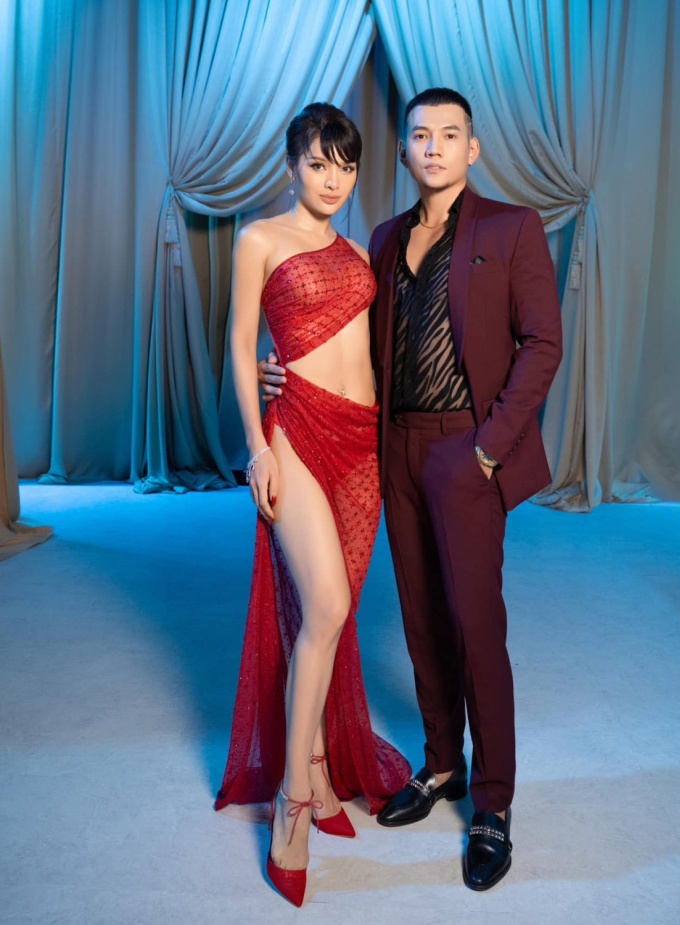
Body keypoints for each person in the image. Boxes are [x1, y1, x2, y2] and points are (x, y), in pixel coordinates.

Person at [259, 87, 563, 893]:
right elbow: (344, 336)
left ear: (472, 149)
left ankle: (492, 801)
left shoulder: (511, 227)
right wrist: (278, 367)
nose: (433, 147)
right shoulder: (384, 239)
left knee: (475, 621)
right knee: (422, 613)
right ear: (403, 153)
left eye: (449, 135)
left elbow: (544, 343)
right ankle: (441, 763)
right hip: (392, 445)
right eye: (420, 135)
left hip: (468, 443)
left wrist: (489, 448)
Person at [216, 102, 410, 908]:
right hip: (295, 431)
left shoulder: (359, 251)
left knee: (333, 616)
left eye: (346, 165)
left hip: (362, 442)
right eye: (319, 163)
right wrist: (256, 447)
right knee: (325, 603)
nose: (333, 179)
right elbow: (240, 343)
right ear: (291, 164)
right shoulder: (260, 238)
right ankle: (294, 795)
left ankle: (325, 765)